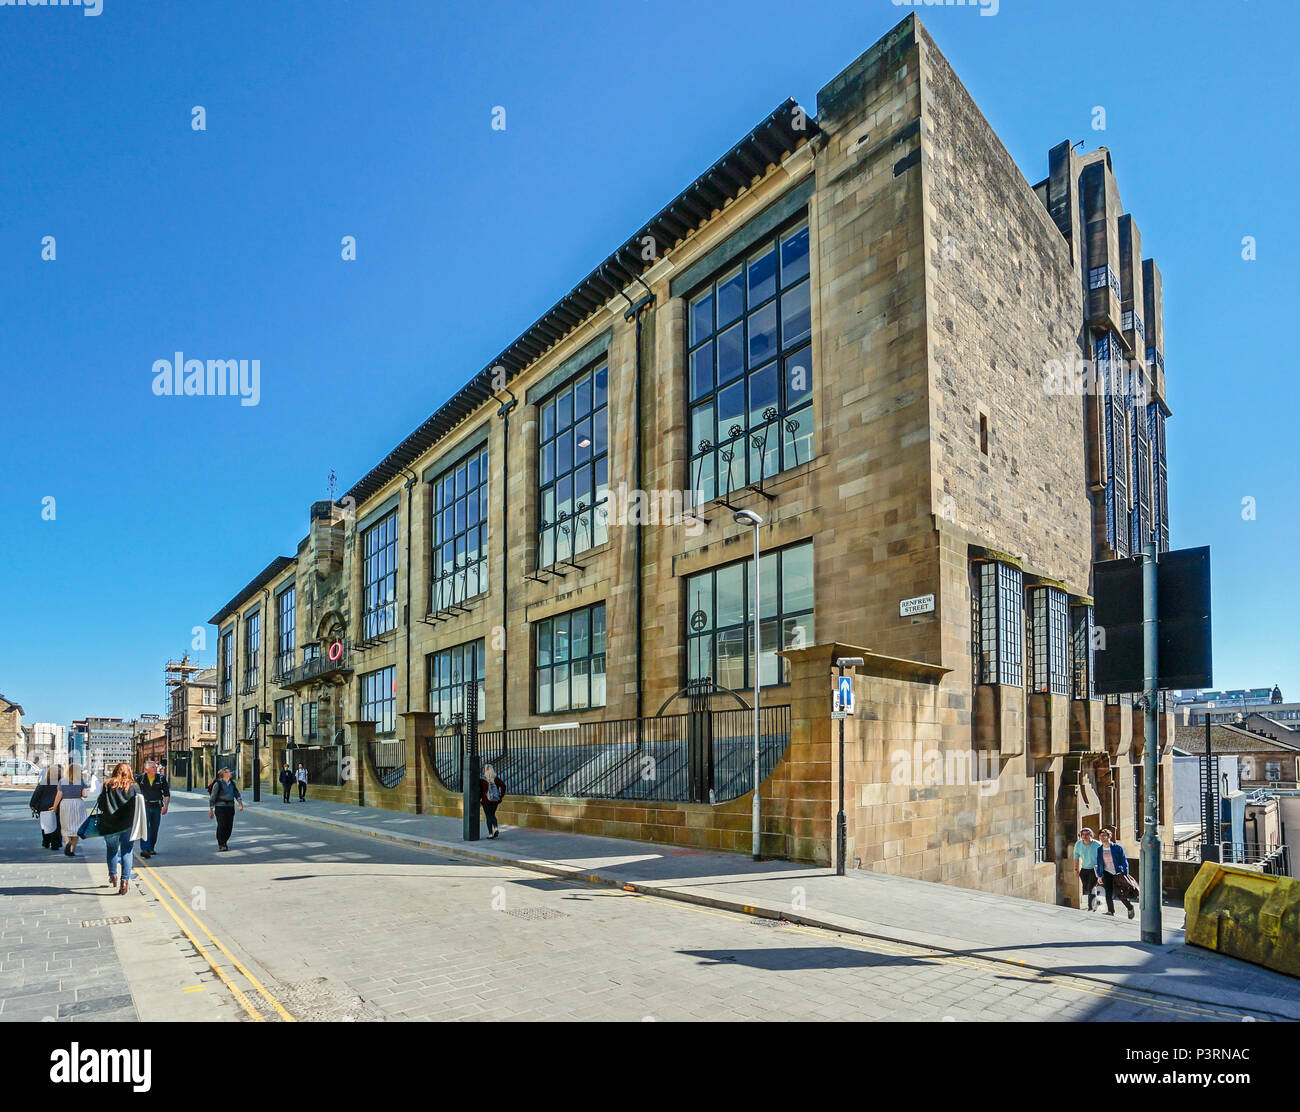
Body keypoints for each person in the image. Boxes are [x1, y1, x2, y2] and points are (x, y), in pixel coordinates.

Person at [95, 762, 146, 895]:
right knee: (127, 852)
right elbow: (139, 805)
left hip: (110, 825)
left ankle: (113, 876)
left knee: (111, 850)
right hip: (127, 825)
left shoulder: (107, 784)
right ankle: (125, 881)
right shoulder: (134, 786)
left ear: (115, 771)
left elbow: (101, 804)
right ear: (129, 772)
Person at [1097, 827, 1136, 919]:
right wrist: (1099, 875)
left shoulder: (1117, 848)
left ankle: (1130, 907)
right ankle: (1110, 911)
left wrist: (1125, 873)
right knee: (1108, 893)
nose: (1102, 838)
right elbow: (1099, 862)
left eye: (1104, 836)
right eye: (1100, 836)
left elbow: (1124, 861)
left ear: (1109, 836)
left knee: (1120, 893)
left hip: (1117, 873)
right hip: (1106, 873)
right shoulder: (1099, 849)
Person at [135, 760, 170, 858]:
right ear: (146, 769)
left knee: (154, 828)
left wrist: (165, 806)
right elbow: (135, 793)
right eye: (153, 767)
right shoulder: (140, 779)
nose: (156, 769)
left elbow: (166, 794)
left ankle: (151, 847)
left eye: (155, 767)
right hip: (144, 806)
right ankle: (145, 848)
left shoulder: (161, 779)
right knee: (145, 828)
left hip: (156, 806)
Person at [57, 763, 91, 857]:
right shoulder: (81, 781)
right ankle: (71, 849)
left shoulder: (62, 781)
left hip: (65, 804)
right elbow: (84, 795)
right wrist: (85, 793)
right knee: (77, 827)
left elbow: (58, 795)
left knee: (65, 825)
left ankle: (67, 841)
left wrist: (54, 806)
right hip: (77, 804)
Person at [208, 767, 243, 851]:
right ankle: (222, 843)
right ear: (224, 774)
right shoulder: (218, 784)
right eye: (229, 772)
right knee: (222, 825)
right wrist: (211, 810)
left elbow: (236, 794)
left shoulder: (232, 783)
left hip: (230, 807)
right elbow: (213, 797)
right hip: (220, 807)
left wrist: (240, 804)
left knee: (229, 826)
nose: (231, 773)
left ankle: (225, 841)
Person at [29, 767, 62, 850]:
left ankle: (46, 842)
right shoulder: (61, 782)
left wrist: (32, 804)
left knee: (46, 824)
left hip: (44, 807)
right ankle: (56, 843)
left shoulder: (43, 782)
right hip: (57, 806)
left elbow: (37, 794)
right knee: (57, 825)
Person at [1072, 827, 1102, 911]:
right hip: (1084, 869)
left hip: (1095, 869)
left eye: (1087, 834)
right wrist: (1075, 869)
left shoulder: (1098, 845)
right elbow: (1076, 857)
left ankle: (1091, 907)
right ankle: (1097, 900)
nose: (1084, 836)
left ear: (1091, 835)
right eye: (1083, 835)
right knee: (1087, 889)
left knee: (1091, 888)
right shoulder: (1078, 844)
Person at [479, 763, 506, 839]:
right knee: (492, 815)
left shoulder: (482, 780)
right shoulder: (496, 778)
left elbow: (479, 791)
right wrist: (501, 796)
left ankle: (490, 834)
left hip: (486, 801)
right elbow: (503, 786)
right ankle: (496, 828)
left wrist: (479, 800)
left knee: (488, 816)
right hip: (495, 800)